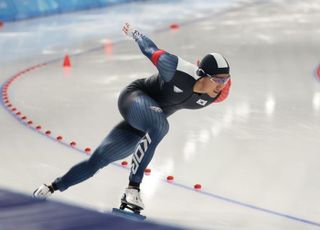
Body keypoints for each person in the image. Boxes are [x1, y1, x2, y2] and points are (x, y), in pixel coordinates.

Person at [33, 23, 231, 214]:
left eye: (225, 80)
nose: (221, 85)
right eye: (217, 80)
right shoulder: (176, 69)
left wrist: (52, 187)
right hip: (134, 98)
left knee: (97, 160)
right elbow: (151, 50)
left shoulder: (217, 94)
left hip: (146, 122)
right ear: (201, 74)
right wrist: (135, 33)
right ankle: (133, 189)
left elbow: (219, 89)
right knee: (161, 125)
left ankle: (50, 187)